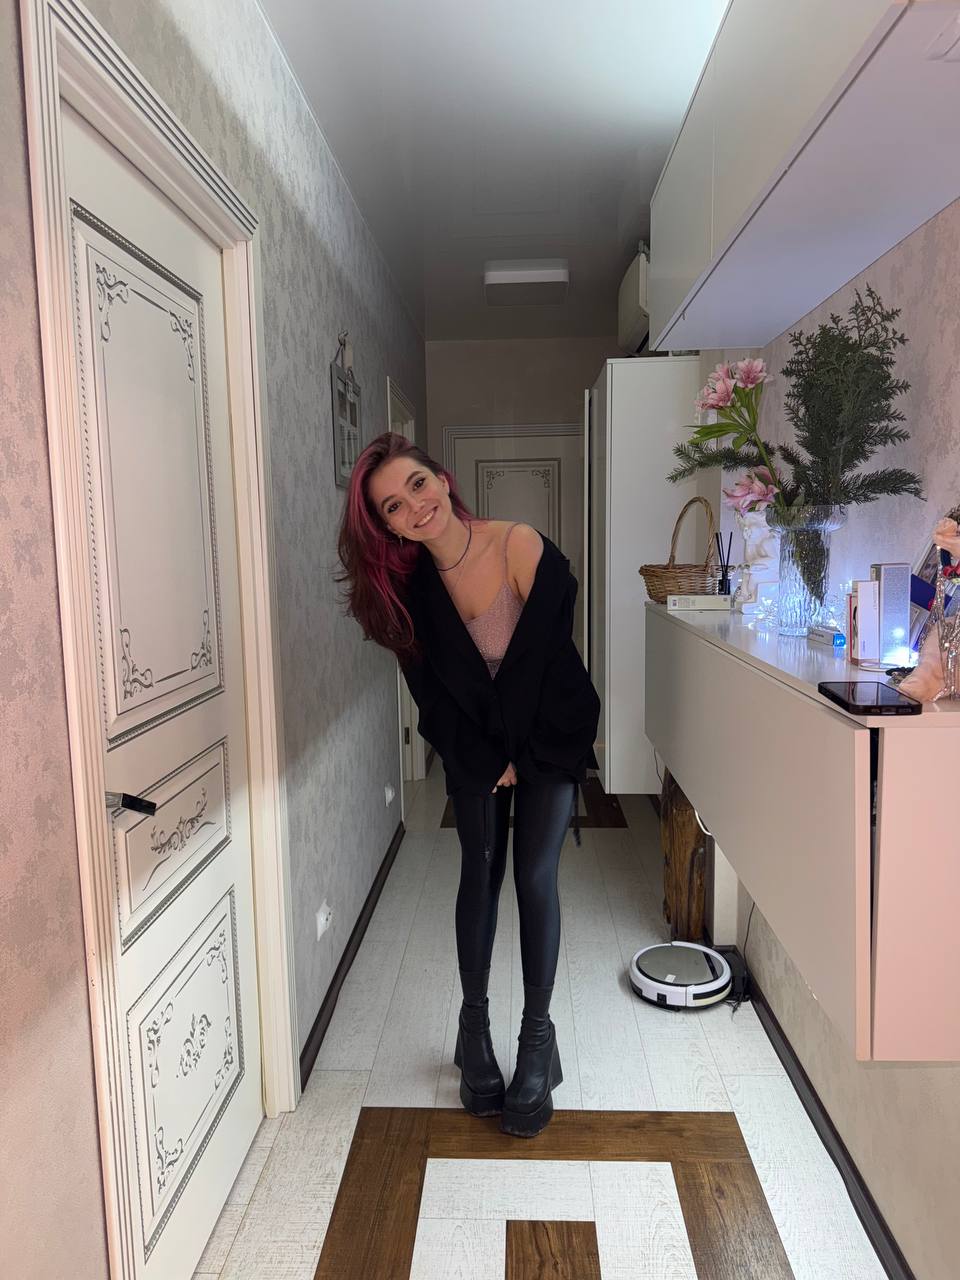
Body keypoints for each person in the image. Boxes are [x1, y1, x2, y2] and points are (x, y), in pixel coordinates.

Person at [337, 432, 600, 1137]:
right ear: (390, 527)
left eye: (416, 485)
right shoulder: (406, 595)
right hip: (472, 744)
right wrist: (485, 761)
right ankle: (474, 1029)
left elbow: (546, 667)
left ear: (442, 479)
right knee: (479, 873)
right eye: (393, 506)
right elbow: (432, 697)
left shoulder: (519, 545)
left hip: (551, 732)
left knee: (535, 876)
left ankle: (537, 1040)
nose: (414, 507)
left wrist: (518, 755)